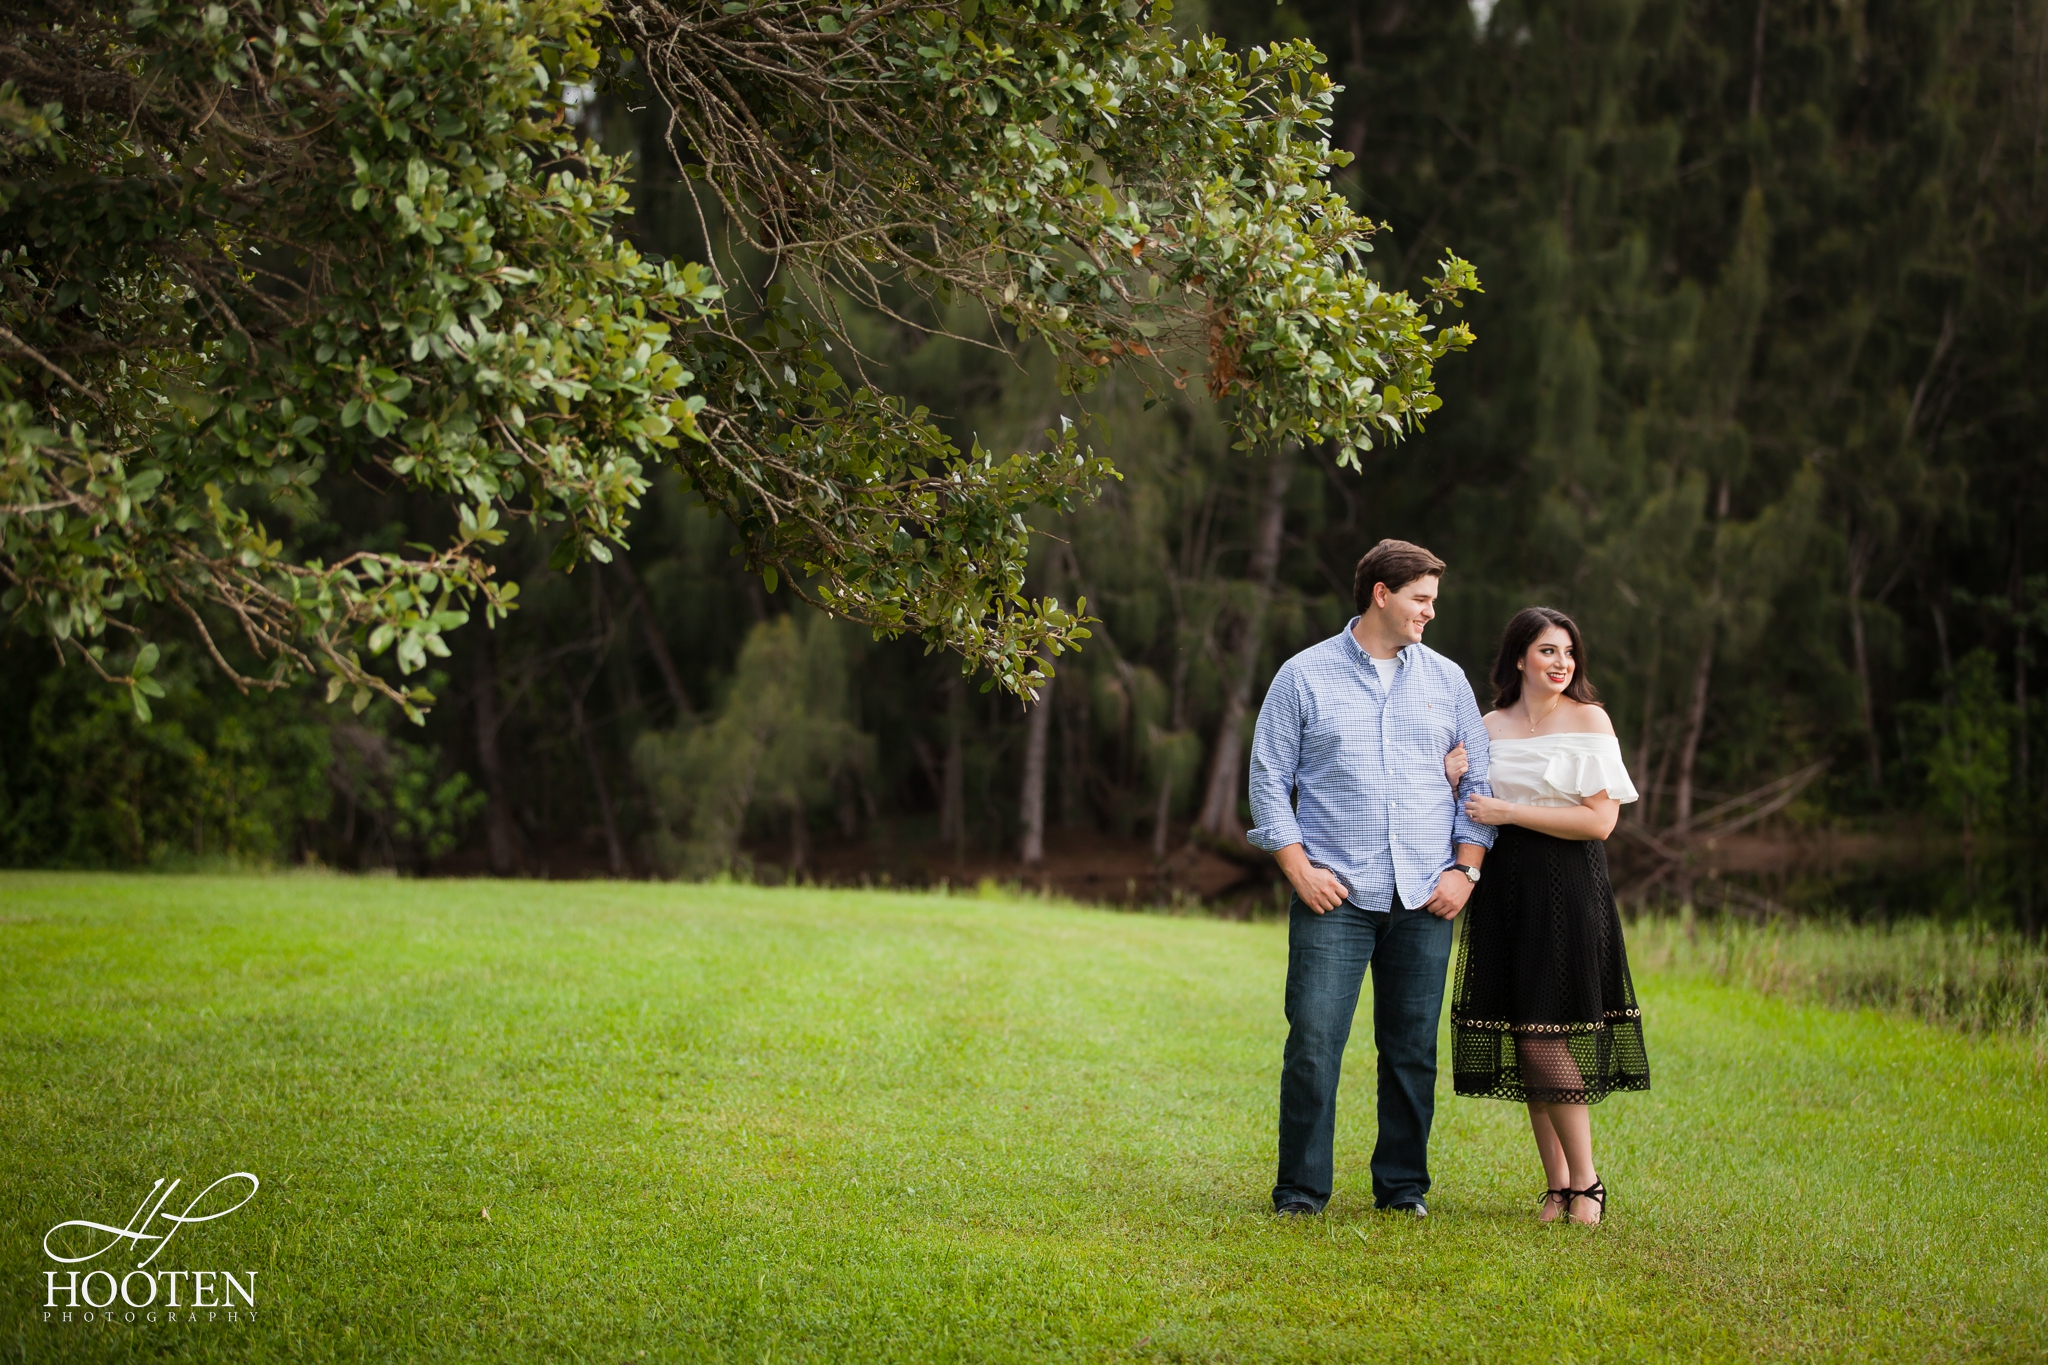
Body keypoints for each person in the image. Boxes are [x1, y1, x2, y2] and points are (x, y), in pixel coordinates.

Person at [1247, 539, 1495, 1219]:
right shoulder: (1303, 676)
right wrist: (1297, 866)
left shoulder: (1447, 681)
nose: (1430, 612)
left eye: (1434, 601)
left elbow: (1480, 777)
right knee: (1314, 1044)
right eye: (1422, 598)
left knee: (1412, 1050)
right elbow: (1269, 778)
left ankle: (1403, 1188)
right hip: (1337, 896)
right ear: (1381, 593)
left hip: (1427, 893)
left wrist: (1466, 870)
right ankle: (1300, 1192)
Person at [1447, 606, 1651, 1226]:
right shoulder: (1488, 724)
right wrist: (1452, 773)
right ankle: (1556, 1186)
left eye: (1568, 652)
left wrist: (1508, 812)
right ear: (1518, 658)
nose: (1561, 663)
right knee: (1525, 1033)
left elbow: (1600, 821)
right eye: (1546, 651)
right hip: (1503, 887)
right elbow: (1468, 801)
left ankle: (1588, 1183)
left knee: (1544, 1032)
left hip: (1567, 885)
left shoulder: (1589, 719)